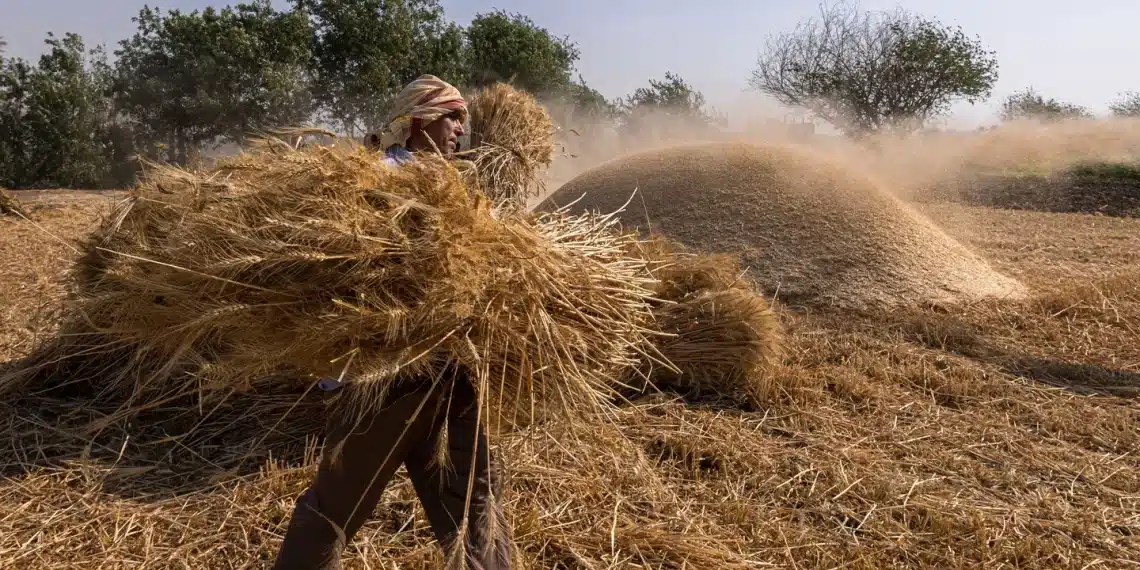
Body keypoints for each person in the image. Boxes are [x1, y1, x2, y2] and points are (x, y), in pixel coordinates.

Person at [272, 75, 511, 570]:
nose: (461, 128)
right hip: (384, 379)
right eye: (453, 115)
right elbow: (342, 272)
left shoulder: (457, 190)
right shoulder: (376, 179)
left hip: (450, 372)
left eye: (463, 118)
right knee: (334, 510)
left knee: (474, 502)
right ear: (419, 121)